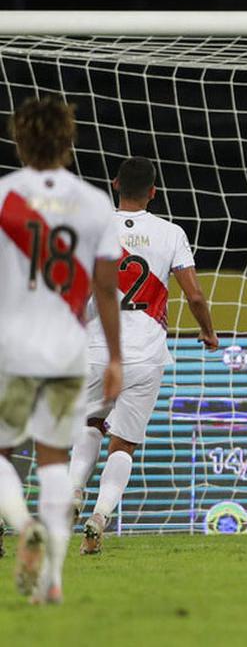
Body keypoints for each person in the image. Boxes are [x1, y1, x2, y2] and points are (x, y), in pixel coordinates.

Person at [0, 96, 123, 605]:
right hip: (69, 349)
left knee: (3, 451)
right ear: (68, 143)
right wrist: (115, 356)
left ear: (21, 141)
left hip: (11, 347)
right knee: (54, 459)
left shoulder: (4, 196)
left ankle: (22, 522)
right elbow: (104, 288)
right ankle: (50, 579)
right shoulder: (95, 203)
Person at [67, 156, 218, 555]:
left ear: (115, 184)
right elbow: (195, 295)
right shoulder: (171, 233)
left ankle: (72, 492)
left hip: (98, 348)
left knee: (89, 423)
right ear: (154, 191)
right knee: (124, 444)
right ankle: (99, 517)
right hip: (146, 355)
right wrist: (207, 330)